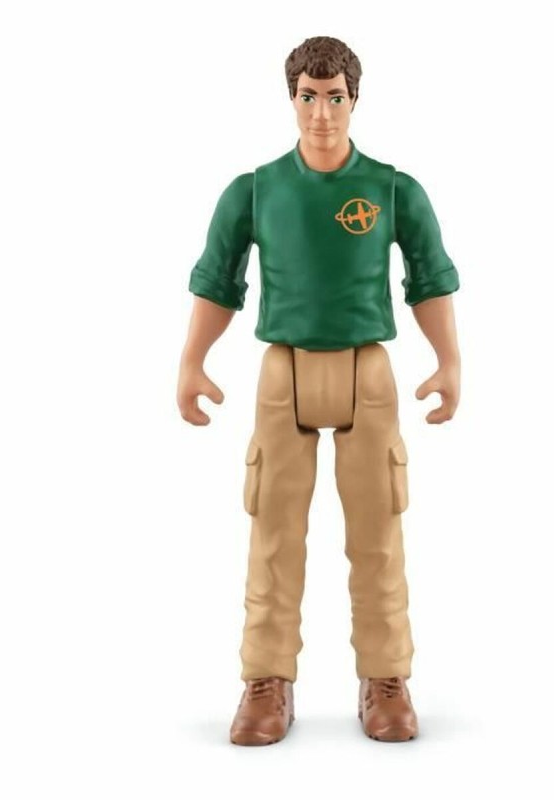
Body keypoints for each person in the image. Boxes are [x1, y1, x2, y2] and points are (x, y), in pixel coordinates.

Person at [177, 36, 461, 745]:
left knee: (378, 533)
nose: (322, 114)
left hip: (369, 373)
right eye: (309, 97)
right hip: (285, 372)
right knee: (274, 533)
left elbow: (429, 276)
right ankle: (266, 678)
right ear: (292, 99)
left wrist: (448, 359)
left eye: (335, 97)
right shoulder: (255, 190)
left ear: (354, 99)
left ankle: (386, 675)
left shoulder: (393, 189)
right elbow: (218, 280)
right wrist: (192, 360)